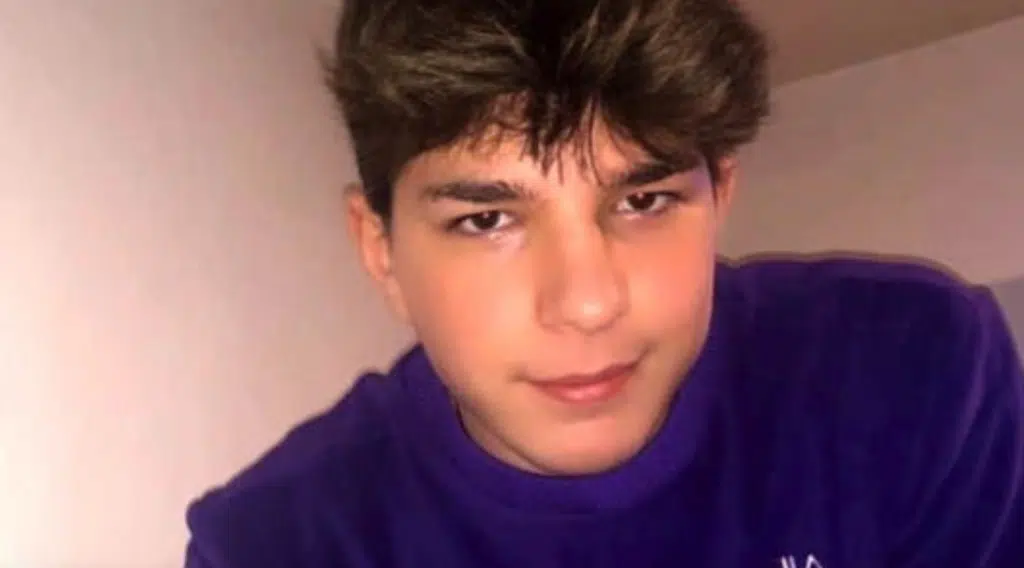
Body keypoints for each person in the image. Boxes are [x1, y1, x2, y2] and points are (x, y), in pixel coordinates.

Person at [183, 0, 1024, 566]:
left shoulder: (914, 373)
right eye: (487, 219)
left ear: (720, 197)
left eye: (644, 201)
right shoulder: (278, 544)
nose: (588, 304)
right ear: (382, 253)